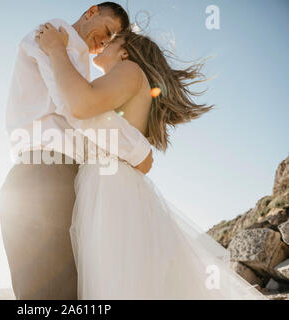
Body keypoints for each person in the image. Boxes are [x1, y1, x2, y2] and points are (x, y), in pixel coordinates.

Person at [35, 21, 268, 299]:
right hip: (114, 184)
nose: (105, 42)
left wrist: (56, 50)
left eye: (112, 40)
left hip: (109, 187)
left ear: (125, 52)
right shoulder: (130, 79)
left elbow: (82, 104)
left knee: (113, 283)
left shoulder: (130, 71)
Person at [0, 2, 152, 300]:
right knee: (47, 293)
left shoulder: (76, 56)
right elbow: (76, 108)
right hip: (43, 175)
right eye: (107, 31)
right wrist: (137, 150)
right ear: (92, 11)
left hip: (53, 175)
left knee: (58, 292)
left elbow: (81, 111)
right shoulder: (56, 35)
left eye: (111, 40)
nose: (103, 43)